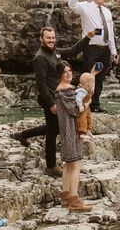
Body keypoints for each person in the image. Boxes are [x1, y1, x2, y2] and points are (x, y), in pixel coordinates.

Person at [10, 27, 91, 177]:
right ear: (41, 39)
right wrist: (52, 104)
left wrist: (88, 37)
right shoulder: (40, 58)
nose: (52, 40)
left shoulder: (56, 51)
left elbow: (73, 51)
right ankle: (51, 166)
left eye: (53, 38)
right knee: (53, 131)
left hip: (59, 97)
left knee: (53, 127)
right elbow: (41, 84)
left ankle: (23, 135)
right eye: (48, 38)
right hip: (50, 99)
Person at [68, 0, 118, 112]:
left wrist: (114, 52)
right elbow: (71, 4)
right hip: (90, 47)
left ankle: (95, 105)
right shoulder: (85, 6)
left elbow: (111, 33)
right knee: (87, 77)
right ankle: (84, 104)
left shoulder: (107, 11)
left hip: (105, 49)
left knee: (100, 79)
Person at [54, 62, 91, 212]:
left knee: (68, 166)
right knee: (76, 165)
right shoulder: (66, 90)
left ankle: (66, 196)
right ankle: (74, 200)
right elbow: (76, 110)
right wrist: (88, 104)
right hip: (71, 131)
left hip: (65, 131)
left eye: (70, 70)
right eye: (65, 72)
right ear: (60, 75)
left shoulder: (59, 90)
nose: (68, 74)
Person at [75, 71, 97, 139]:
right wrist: (80, 106)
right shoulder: (81, 91)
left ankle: (88, 130)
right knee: (82, 119)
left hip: (87, 107)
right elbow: (78, 98)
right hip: (83, 107)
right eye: (92, 83)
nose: (93, 85)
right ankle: (82, 132)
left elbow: (90, 95)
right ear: (87, 85)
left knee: (89, 118)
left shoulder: (87, 89)